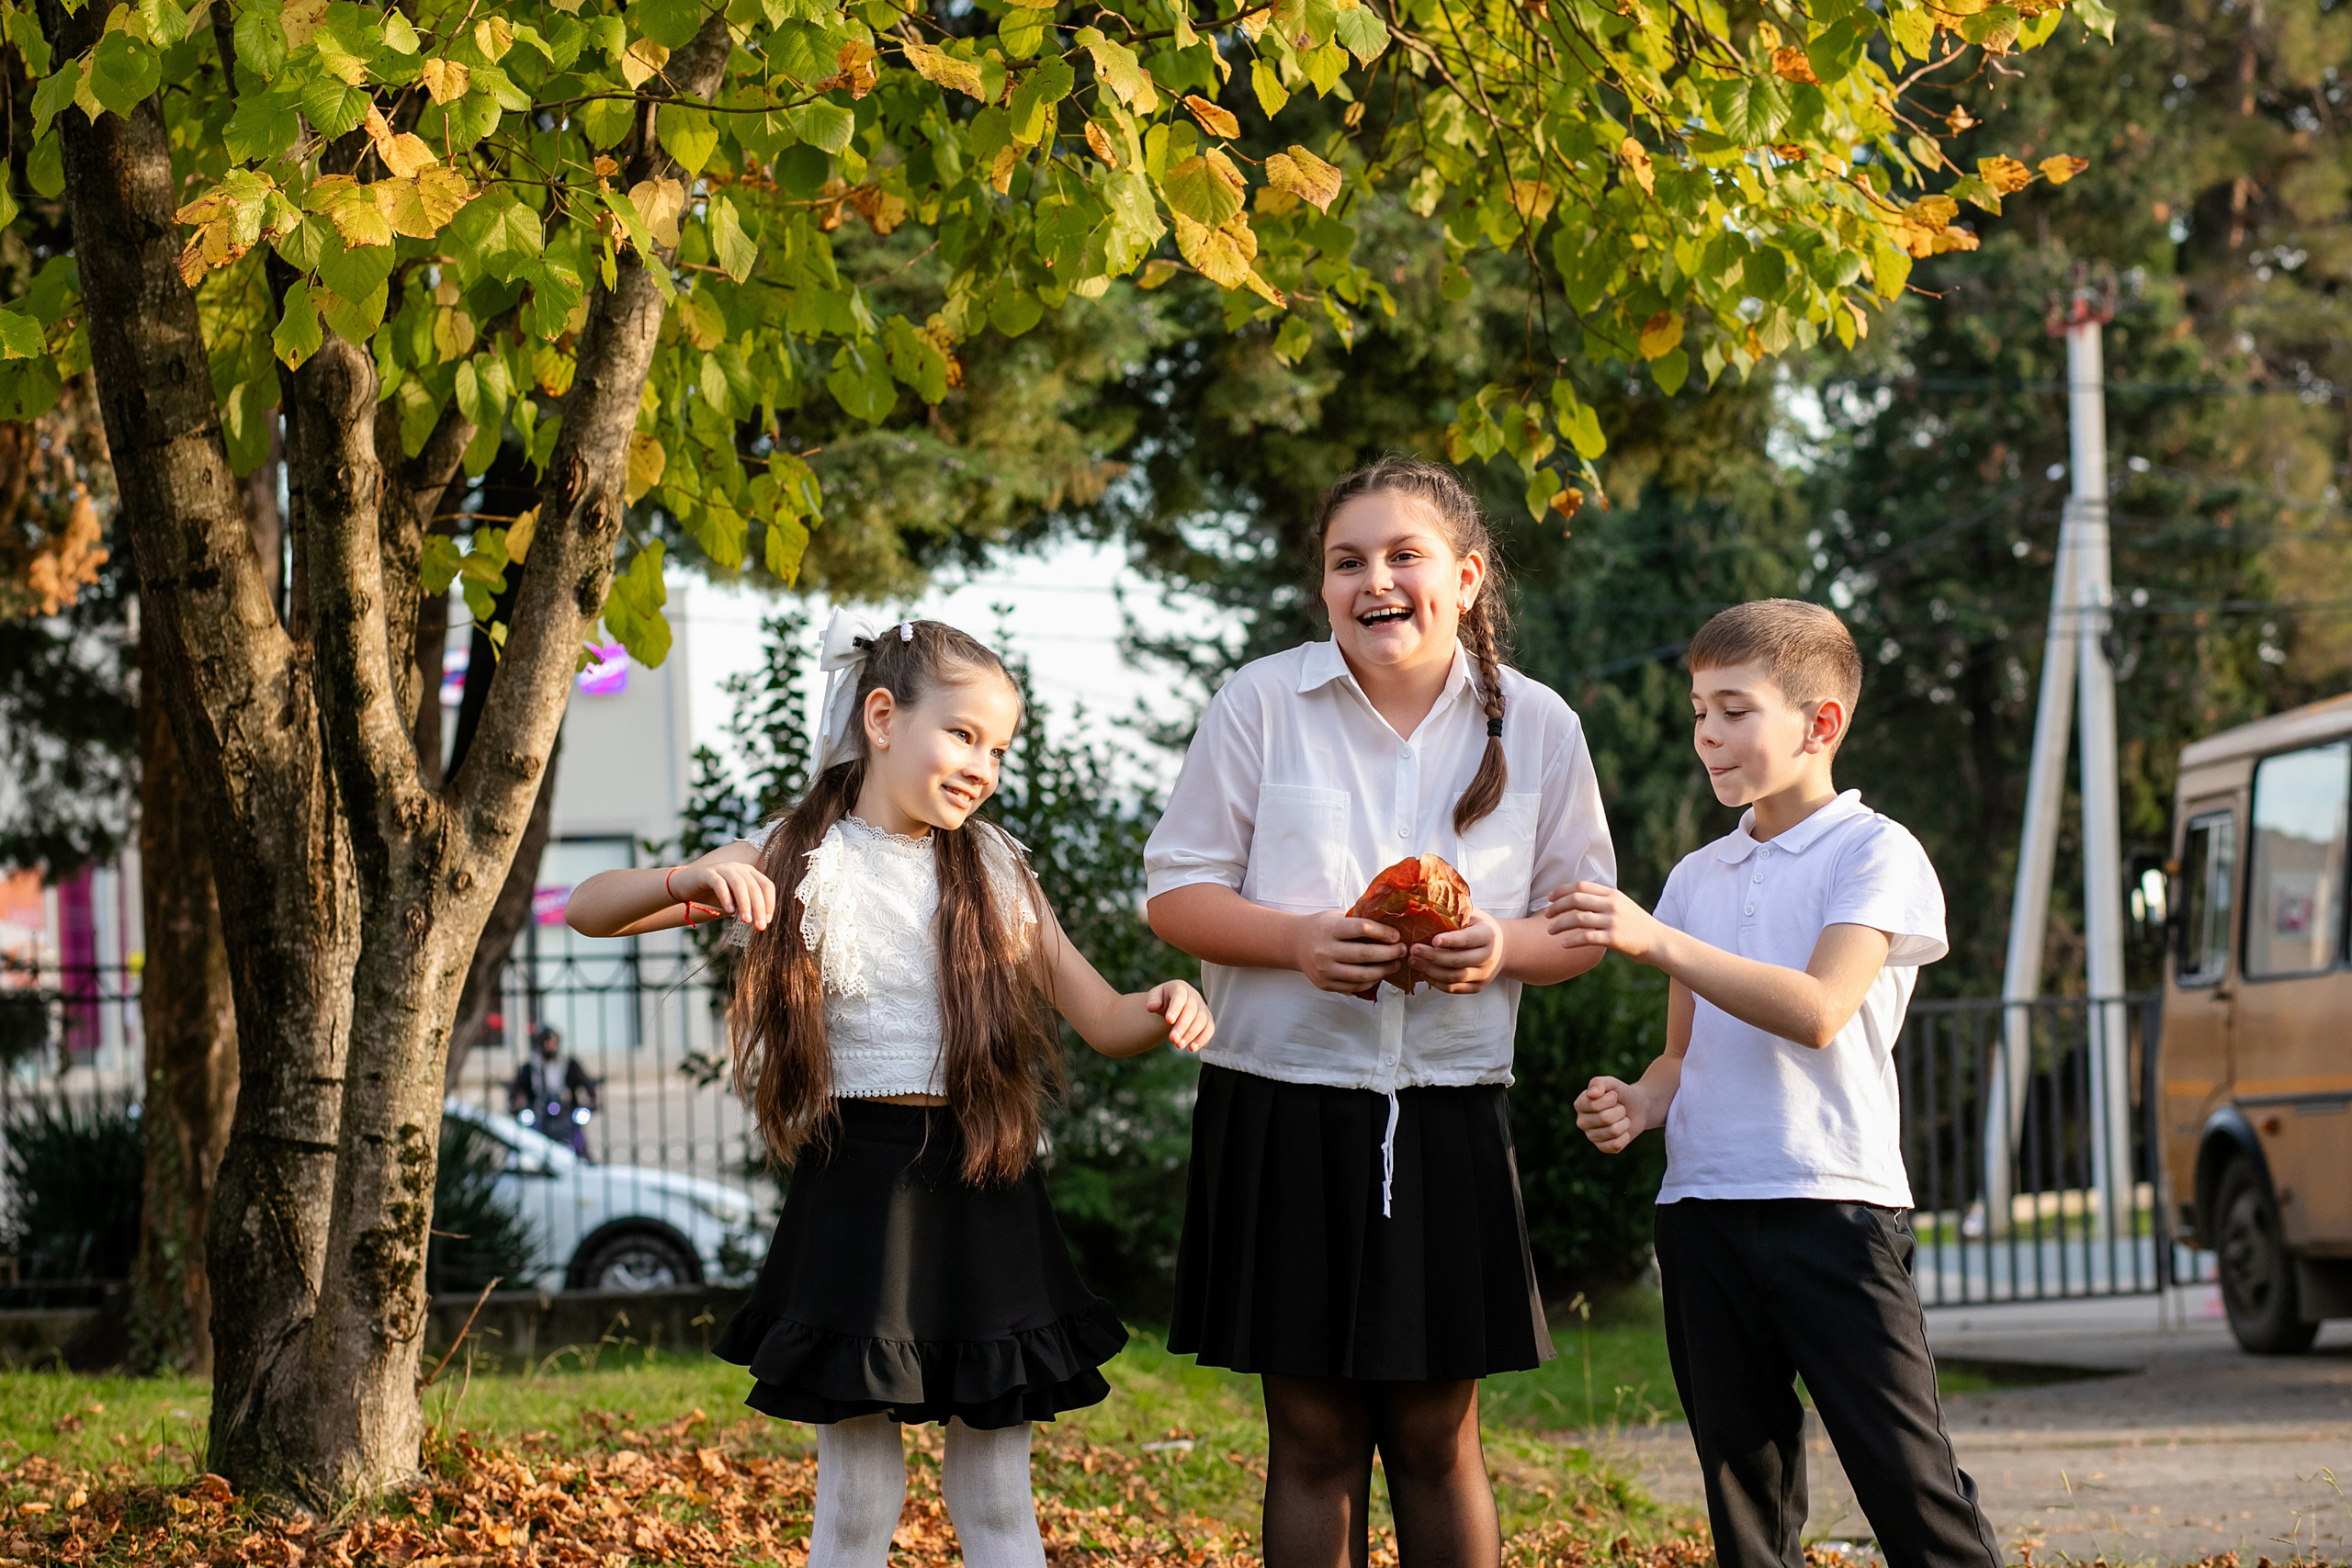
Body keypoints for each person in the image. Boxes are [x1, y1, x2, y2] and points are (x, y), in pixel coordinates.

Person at [564, 612, 1213, 1568]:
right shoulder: (794, 856)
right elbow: (586, 910)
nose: (982, 764)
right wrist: (692, 875)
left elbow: (1104, 1020)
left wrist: (1164, 1001)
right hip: (857, 1189)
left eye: (998, 748)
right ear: (881, 717)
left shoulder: (994, 871)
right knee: (858, 1496)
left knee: (996, 1491)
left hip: (986, 1180)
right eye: (962, 734)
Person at [1144, 457, 1614, 1568]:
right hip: (1282, 1104)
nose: (1375, 582)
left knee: (1435, 1434)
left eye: (1403, 556)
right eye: (1346, 561)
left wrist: (1499, 947)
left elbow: (1581, 927)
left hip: (1448, 1112)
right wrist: (1302, 941)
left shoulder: (1538, 725)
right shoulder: (1262, 701)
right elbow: (1177, 893)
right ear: (1322, 585)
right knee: (1309, 1435)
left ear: (1465, 575)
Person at [1547, 599, 1999, 1568]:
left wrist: (1655, 937)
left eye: (1734, 710)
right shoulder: (1696, 876)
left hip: (1833, 1210)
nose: (1707, 734)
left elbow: (1818, 1010)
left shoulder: (1874, 853)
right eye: (1698, 711)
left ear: (1820, 723)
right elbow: (1682, 1055)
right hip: (1702, 1212)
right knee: (1745, 1510)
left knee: (1910, 1488)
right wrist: (1638, 1101)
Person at [506, 1022, 599, 1156]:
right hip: (539, 1110)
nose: (550, 1047)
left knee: (577, 1135)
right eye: (547, 1043)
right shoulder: (531, 1066)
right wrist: (515, 1102)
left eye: (553, 1043)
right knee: (529, 1136)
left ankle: (582, 1157)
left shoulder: (568, 1063)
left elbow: (585, 1082)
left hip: (566, 1110)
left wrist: (592, 1098)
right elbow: (517, 1086)